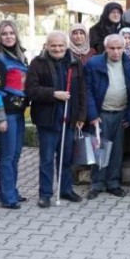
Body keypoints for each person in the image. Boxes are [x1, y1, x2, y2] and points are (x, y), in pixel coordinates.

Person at [25, 31, 86, 208]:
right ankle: (45, 194)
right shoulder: (38, 63)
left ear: (66, 45)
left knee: (66, 158)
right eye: (53, 45)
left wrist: (82, 115)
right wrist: (53, 94)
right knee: (46, 159)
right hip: (47, 120)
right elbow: (31, 90)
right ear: (47, 45)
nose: (57, 48)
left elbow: (82, 90)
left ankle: (65, 189)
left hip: (69, 119)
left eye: (60, 45)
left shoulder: (75, 63)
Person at [84, 34, 130, 199]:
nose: (116, 52)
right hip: (101, 114)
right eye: (112, 48)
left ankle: (113, 183)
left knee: (116, 151)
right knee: (99, 148)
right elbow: (87, 91)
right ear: (105, 48)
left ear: (124, 48)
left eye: (119, 48)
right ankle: (97, 183)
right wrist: (93, 115)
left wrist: (129, 116)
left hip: (120, 113)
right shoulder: (94, 64)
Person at [0, 20, 28, 210]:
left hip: (19, 113)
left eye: (11, 32)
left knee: (15, 155)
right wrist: (0, 118)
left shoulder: (19, 57)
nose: (9, 36)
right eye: (4, 34)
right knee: (7, 155)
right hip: (7, 115)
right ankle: (7, 196)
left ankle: (12, 190)